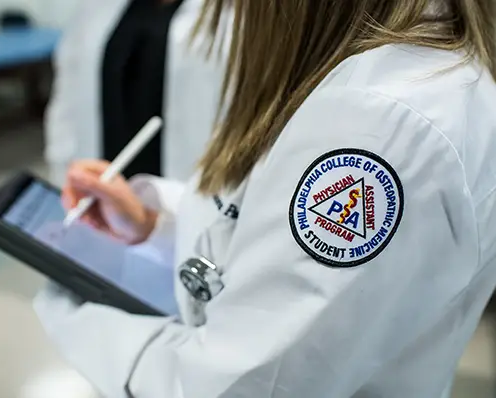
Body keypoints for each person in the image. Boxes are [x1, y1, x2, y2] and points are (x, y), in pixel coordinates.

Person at [34, 0, 496, 397]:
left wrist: (75, 312)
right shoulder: (402, 78)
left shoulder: (383, 127)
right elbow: (262, 227)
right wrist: (156, 223)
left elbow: (241, 387)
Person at [45, 0, 228, 185]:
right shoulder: (96, 8)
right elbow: (66, 102)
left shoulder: (234, 15)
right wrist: (62, 176)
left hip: (190, 189)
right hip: (101, 181)